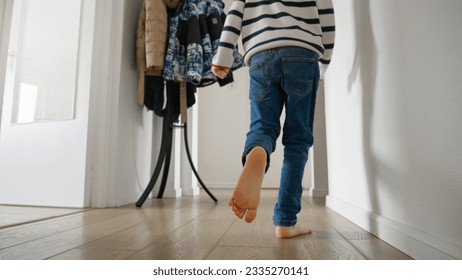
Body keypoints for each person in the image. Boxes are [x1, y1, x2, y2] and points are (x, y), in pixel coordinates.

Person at [212, 0, 335, 239]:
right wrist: (323, 63)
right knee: (297, 140)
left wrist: (223, 57)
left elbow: (233, 15)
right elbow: (327, 21)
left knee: (262, 127)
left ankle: (258, 150)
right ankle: (286, 221)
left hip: (260, 57)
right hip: (304, 55)